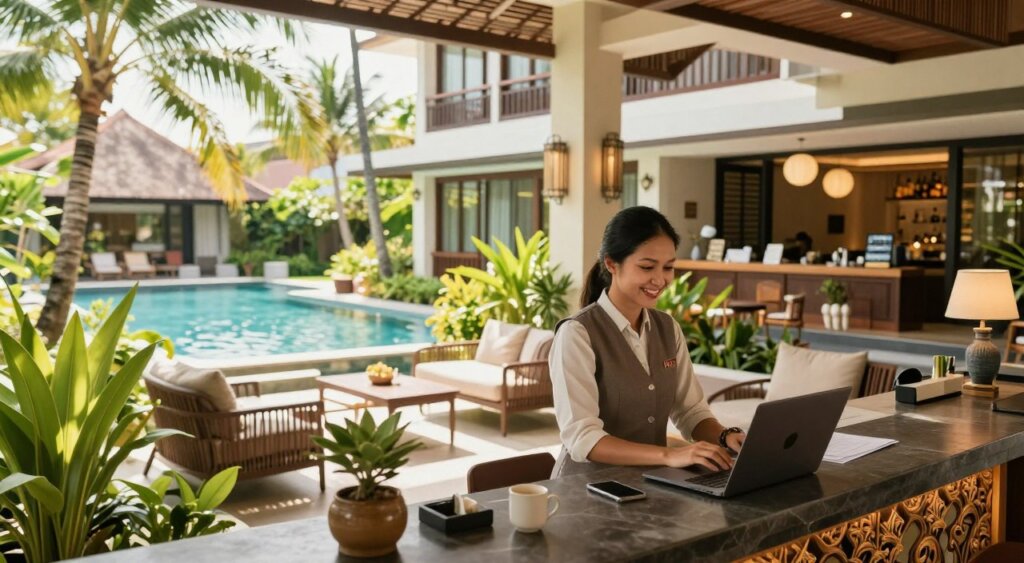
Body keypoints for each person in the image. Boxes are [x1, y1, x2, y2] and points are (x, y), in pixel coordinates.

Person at [549, 206, 746, 477]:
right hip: (588, 491)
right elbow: (582, 437)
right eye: (646, 266)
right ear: (611, 264)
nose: (660, 279)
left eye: (668, 267)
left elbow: (691, 411)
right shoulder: (577, 333)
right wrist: (670, 454)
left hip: (651, 484)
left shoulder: (668, 328)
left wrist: (725, 437)